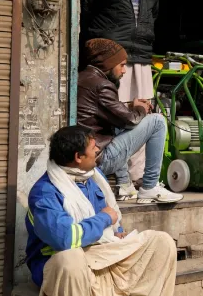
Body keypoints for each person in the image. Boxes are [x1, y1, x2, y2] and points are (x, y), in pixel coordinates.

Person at [25, 125, 177, 295]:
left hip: (103, 254)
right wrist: (104, 219)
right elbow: (65, 238)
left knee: (161, 242)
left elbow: (112, 220)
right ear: (78, 157)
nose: (98, 149)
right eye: (93, 147)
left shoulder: (94, 176)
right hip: (64, 265)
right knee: (70, 260)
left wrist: (117, 233)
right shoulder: (44, 193)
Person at [82, 0, 157, 187]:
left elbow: (152, 18)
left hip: (142, 57)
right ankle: (119, 176)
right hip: (113, 59)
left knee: (144, 113)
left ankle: (137, 177)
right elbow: (84, 14)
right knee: (119, 115)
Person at [76, 39, 182, 204]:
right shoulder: (102, 85)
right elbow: (131, 120)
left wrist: (132, 106)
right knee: (157, 121)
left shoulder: (83, 78)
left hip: (86, 153)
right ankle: (150, 187)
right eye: (122, 65)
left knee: (118, 127)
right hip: (100, 157)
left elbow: (115, 115)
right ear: (109, 64)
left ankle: (124, 185)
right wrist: (140, 108)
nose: (124, 70)